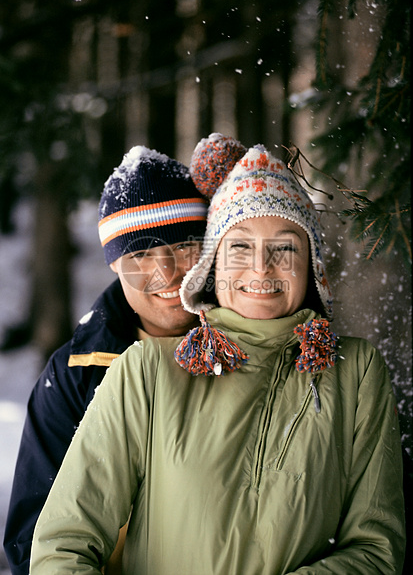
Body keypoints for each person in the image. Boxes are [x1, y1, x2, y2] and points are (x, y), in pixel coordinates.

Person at [29, 134, 406, 574]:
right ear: (213, 265)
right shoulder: (147, 370)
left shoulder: (355, 374)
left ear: (313, 267)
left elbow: (377, 548)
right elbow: (62, 545)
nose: (261, 268)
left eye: (284, 248)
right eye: (240, 246)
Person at [3, 144, 210, 575]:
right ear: (115, 265)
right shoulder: (75, 373)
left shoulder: (259, 347)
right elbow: (34, 541)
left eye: (186, 245)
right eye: (141, 255)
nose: (167, 272)